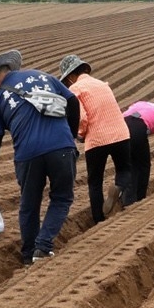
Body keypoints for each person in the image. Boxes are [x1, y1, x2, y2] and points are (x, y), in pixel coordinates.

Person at [0, 49, 80, 265]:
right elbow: (73, 102)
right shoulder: (44, 77)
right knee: (62, 197)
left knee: (29, 204)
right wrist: (71, 136)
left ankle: (29, 255)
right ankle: (43, 246)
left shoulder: (0, 98)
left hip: (28, 155)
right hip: (61, 147)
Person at [59, 54, 135, 221]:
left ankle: (98, 219)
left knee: (95, 182)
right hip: (121, 134)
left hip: (96, 139)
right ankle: (118, 187)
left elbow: (82, 118)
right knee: (125, 169)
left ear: (71, 76)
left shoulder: (75, 89)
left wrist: (80, 134)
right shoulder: (103, 84)